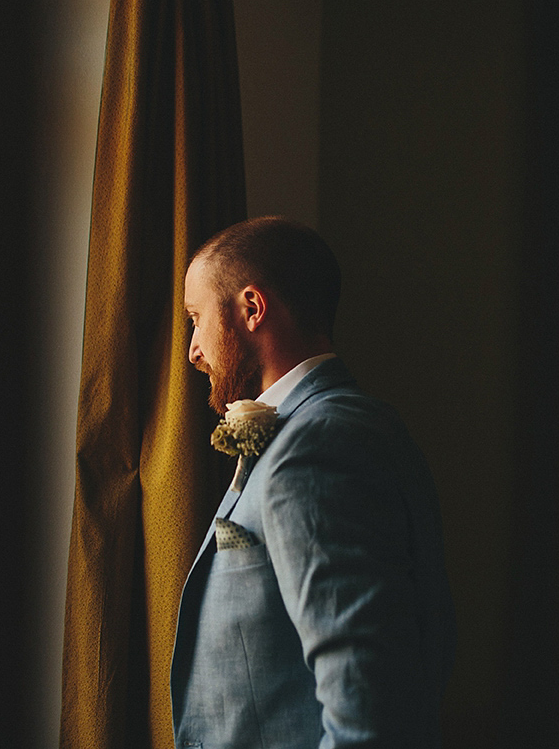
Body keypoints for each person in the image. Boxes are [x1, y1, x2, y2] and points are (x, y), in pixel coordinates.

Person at [171, 216, 456, 748]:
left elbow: (367, 703)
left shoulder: (316, 447)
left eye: (196, 318)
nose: (193, 350)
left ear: (251, 309)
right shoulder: (360, 425)